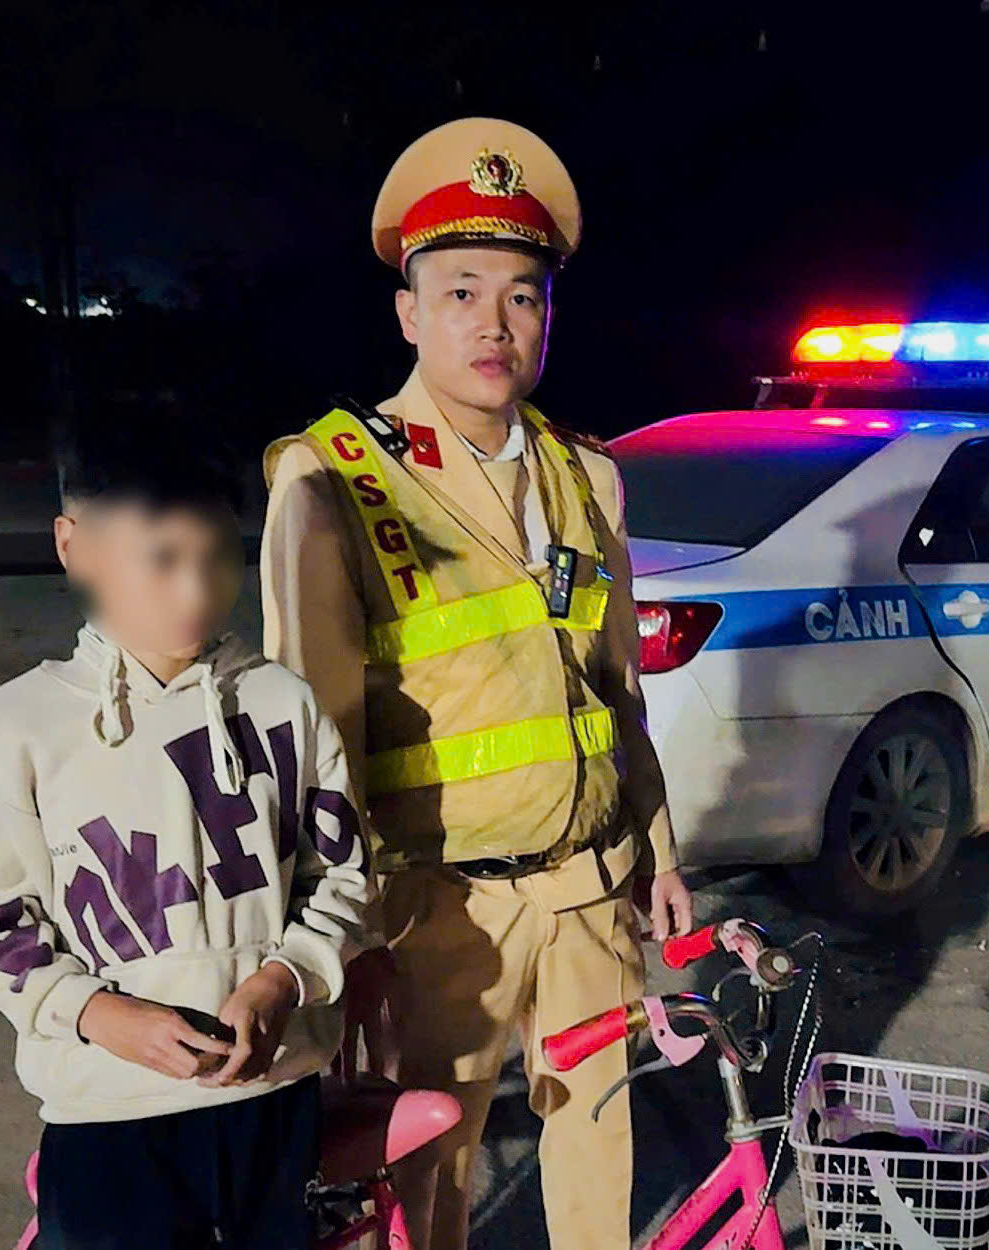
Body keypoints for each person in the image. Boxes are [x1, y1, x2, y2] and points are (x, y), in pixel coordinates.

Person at [260, 117, 693, 1250]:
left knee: (600, 1149)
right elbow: (314, 735)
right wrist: (338, 936)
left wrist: (657, 848)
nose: (495, 323)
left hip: (590, 890)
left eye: (521, 295)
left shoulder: (585, 473)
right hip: (436, 910)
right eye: (461, 292)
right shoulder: (335, 476)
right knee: (426, 1178)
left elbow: (615, 688)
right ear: (409, 312)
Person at [0, 400, 377, 1250]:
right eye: (163, 559)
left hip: (271, 1104)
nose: (196, 592)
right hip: (105, 1116)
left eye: (217, 558)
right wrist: (96, 1013)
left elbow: (343, 880)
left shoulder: (282, 702)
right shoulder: (18, 725)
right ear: (75, 547)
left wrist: (282, 981)